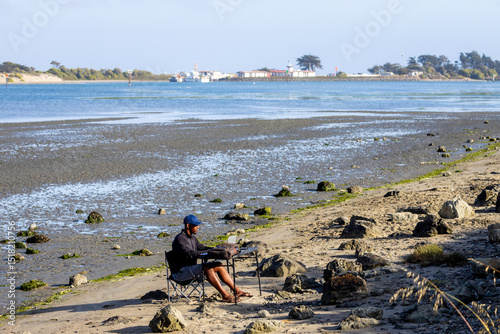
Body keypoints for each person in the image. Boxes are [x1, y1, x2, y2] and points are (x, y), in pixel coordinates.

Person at [170, 214, 252, 303]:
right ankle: (225, 295)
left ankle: (237, 291)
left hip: (191, 270)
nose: (198, 227)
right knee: (207, 268)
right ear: (188, 225)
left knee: (218, 265)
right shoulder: (180, 239)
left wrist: (216, 250)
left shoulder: (192, 238)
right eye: (196, 225)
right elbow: (191, 254)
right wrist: (209, 253)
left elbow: (202, 248)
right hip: (180, 273)